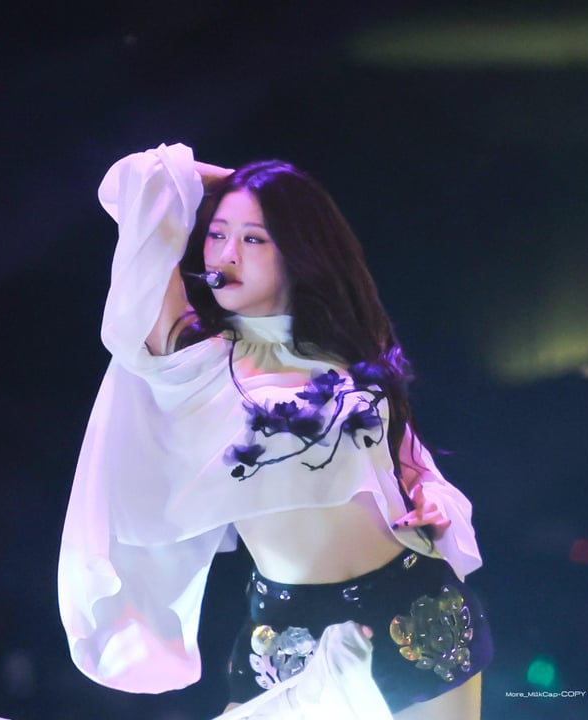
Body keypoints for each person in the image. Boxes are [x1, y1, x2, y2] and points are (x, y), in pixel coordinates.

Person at [58, 143, 492, 718]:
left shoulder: (347, 354)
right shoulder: (193, 361)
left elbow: (407, 465)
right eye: (217, 234)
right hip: (287, 637)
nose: (226, 253)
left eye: (254, 238)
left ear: (298, 249)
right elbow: (134, 181)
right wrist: (241, 181)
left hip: (415, 608)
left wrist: (431, 501)